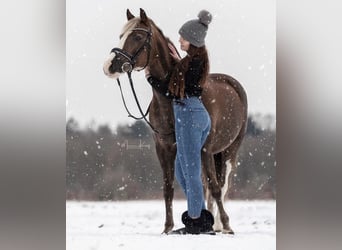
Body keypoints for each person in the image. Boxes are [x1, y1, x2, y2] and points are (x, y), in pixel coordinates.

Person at [145, 10, 215, 235]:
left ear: (192, 40)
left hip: (188, 115)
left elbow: (173, 92)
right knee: (181, 169)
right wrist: (176, 61)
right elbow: (182, 76)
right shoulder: (193, 60)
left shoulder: (193, 63)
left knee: (190, 170)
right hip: (195, 114)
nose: (179, 40)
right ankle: (201, 216)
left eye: (182, 38)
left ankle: (195, 222)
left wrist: (151, 79)